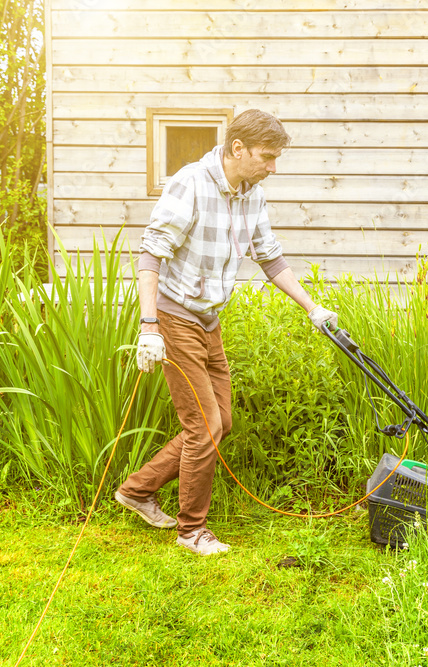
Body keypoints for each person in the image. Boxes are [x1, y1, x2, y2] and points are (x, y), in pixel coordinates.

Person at [114, 110, 338, 555]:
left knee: (222, 422)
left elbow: (269, 257)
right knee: (205, 427)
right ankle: (191, 531)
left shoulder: (251, 195)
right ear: (238, 149)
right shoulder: (190, 184)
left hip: (208, 320)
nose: (272, 168)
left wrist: (314, 308)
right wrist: (148, 326)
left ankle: (137, 490)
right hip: (174, 319)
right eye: (267, 157)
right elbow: (150, 253)